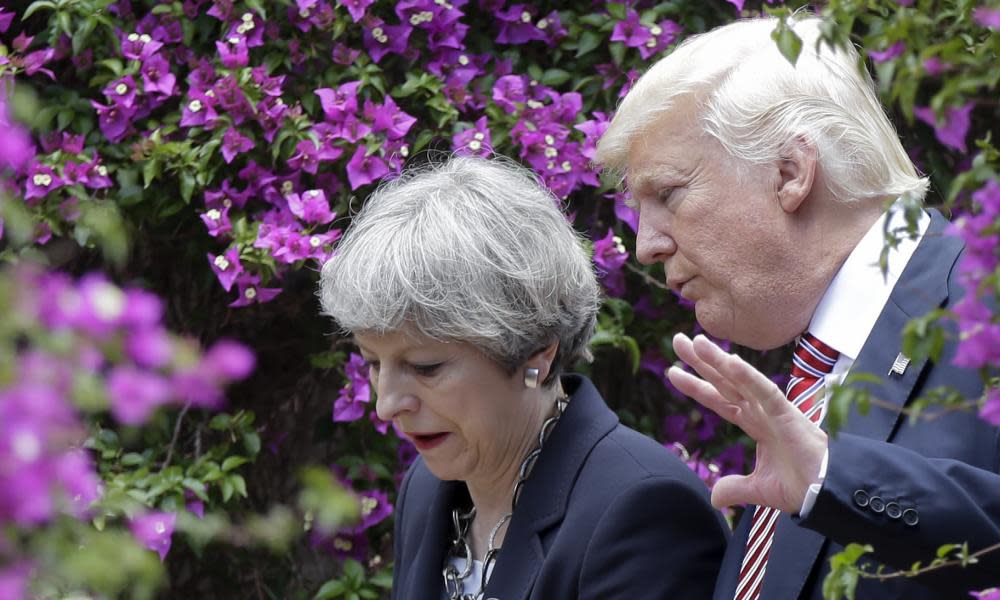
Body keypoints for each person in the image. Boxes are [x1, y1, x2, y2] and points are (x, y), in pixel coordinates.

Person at [595, 15, 1000, 600]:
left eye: (668, 194)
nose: (646, 244)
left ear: (790, 173)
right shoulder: (812, 372)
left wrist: (834, 479)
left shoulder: (984, 304)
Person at [318, 156, 728, 600]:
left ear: (536, 355)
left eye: (425, 367)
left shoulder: (645, 513)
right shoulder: (426, 487)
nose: (387, 404)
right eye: (374, 363)